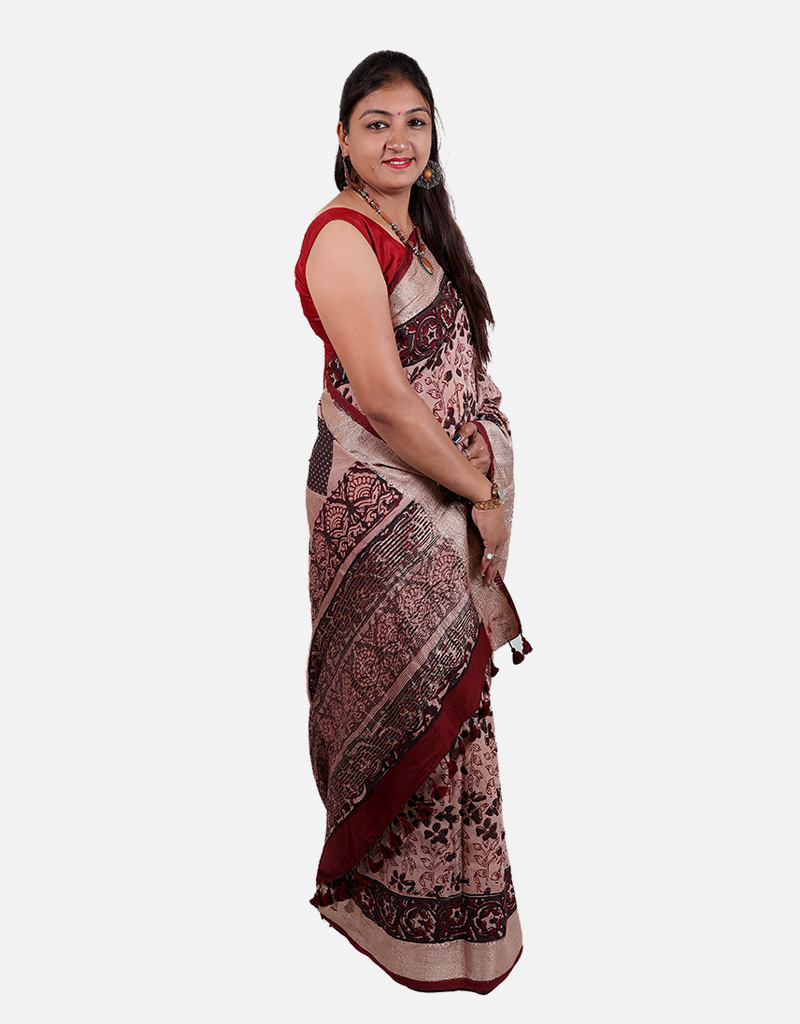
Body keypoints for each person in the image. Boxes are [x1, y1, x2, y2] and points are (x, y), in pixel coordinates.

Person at [295, 50, 530, 994]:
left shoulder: (424, 235)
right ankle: (383, 912)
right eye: (377, 122)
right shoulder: (341, 238)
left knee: (451, 702)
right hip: (378, 510)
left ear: (433, 138)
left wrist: (481, 465)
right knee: (406, 700)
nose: (398, 139)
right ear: (342, 139)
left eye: (415, 121)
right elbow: (388, 401)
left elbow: (461, 373)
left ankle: (454, 924)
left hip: (436, 498)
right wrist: (482, 493)